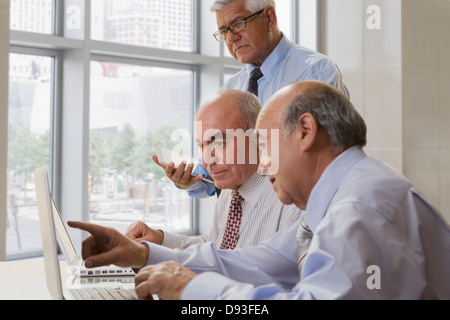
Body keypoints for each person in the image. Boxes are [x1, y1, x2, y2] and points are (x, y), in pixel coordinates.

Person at [69, 80, 450, 300]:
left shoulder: (355, 211)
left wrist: (197, 290)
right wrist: (141, 252)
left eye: (264, 145)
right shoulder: (348, 194)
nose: (262, 162)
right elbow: (254, 261)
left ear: (305, 131)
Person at [157, 0, 350, 199]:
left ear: (269, 18)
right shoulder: (230, 89)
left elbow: (330, 155)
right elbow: (214, 173)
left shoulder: (315, 72)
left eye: (239, 23)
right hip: (245, 217)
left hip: (300, 208)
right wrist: (190, 180)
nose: (231, 38)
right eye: (224, 31)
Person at [126, 89, 301, 250]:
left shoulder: (292, 201)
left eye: (218, 143)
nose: (207, 159)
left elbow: (269, 272)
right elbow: (216, 247)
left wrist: (182, 262)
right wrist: (159, 239)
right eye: (202, 146)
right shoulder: (229, 192)